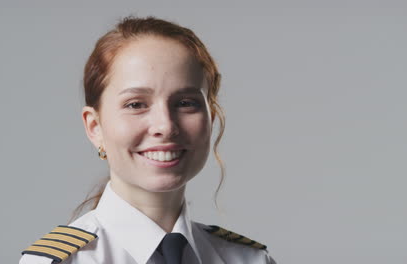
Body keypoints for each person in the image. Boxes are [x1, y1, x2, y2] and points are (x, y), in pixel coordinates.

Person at [19, 16, 276, 264]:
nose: (165, 126)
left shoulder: (250, 260)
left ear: (212, 118)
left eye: (186, 103)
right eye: (136, 104)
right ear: (94, 126)